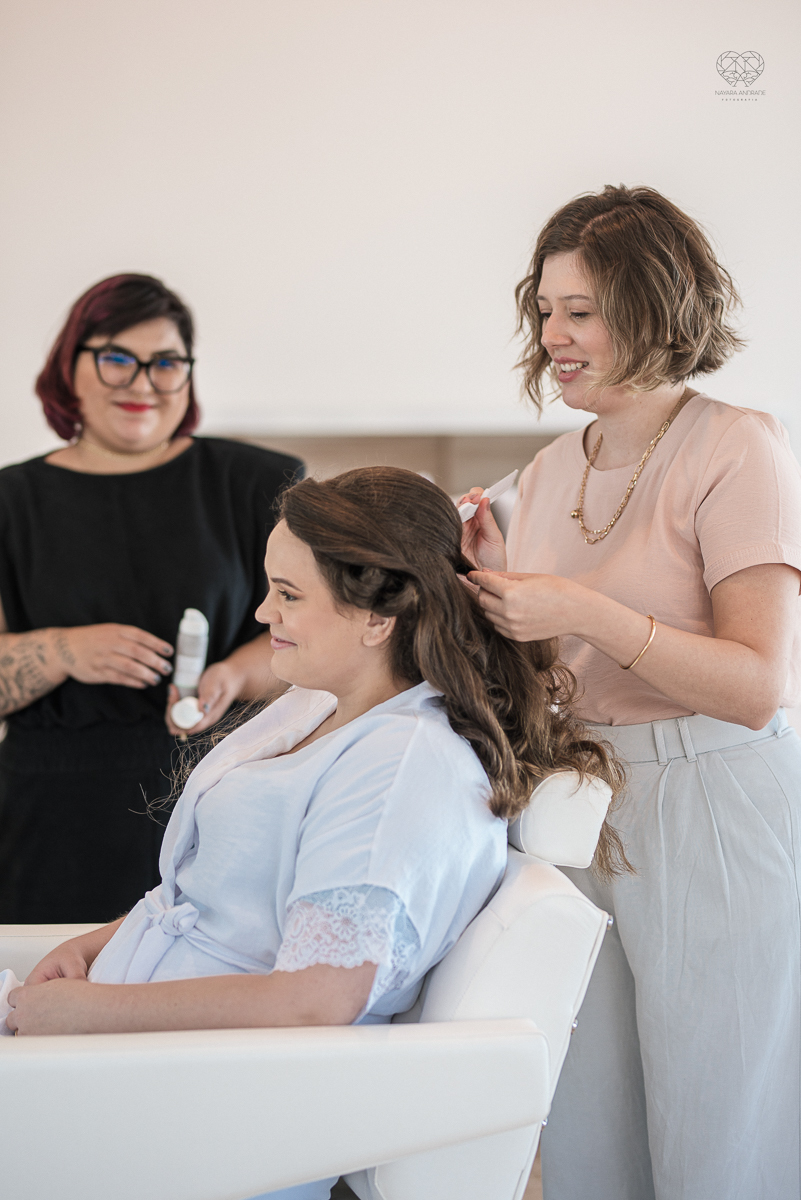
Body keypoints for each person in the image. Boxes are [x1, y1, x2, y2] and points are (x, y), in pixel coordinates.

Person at [3, 466, 624, 1200]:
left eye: (289, 595)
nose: (263, 612)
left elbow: (315, 1000)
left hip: (196, 1109)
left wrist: (92, 1015)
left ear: (376, 616)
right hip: (129, 1067)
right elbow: (221, 895)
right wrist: (95, 944)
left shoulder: (401, 769)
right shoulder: (318, 706)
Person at [460, 185, 801, 1200]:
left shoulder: (738, 446)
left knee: (716, 1123)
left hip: (715, 801)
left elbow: (758, 685)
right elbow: (560, 676)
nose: (554, 335)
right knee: (585, 1126)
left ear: (656, 307)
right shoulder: (551, 464)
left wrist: (583, 606)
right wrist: (496, 592)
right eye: (546, 309)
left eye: (583, 311)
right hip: (583, 806)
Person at [0, 273, 302, 924]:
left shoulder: (258, 484)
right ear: (68, 368)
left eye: (165, 363)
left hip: (221, 797)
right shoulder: (10, 503)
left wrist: (231, 676)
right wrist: (59, 651)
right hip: (51, 824)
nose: (141, 384)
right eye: (116, 359)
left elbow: (320, 632)